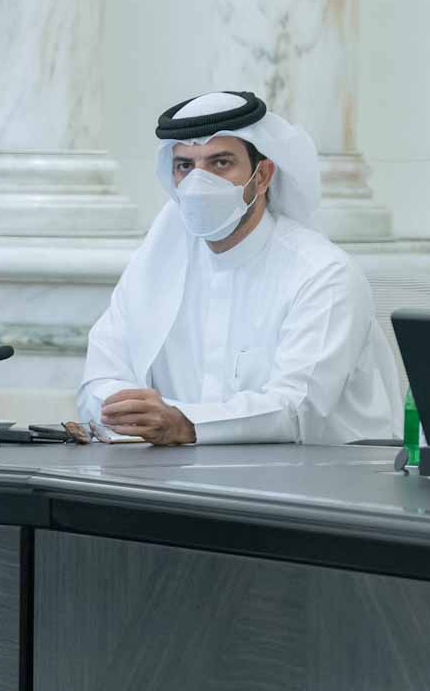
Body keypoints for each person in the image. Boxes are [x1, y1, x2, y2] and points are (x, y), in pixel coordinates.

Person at [76, 91, 401, 445]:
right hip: (174, 470)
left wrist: (185, 424)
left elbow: (297, 409)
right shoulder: (152, 266)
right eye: (185, 166)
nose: (199, 182)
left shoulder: (324, 274)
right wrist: (125, 411)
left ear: (262, 177)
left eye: (220, 163)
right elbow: (99, 379)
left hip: (324, 473)